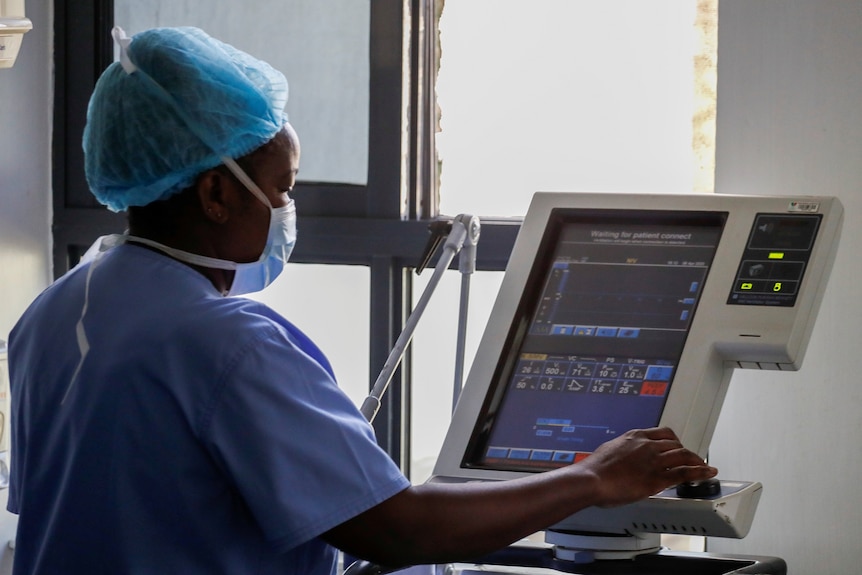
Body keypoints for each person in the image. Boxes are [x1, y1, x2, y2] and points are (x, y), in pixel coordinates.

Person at [7, 26, 717, 575]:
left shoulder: (48, 315)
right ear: (216, 192)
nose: (287, 209)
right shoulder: (229, 342)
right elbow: (398, 528)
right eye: (281, 188)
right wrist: (590, 477)